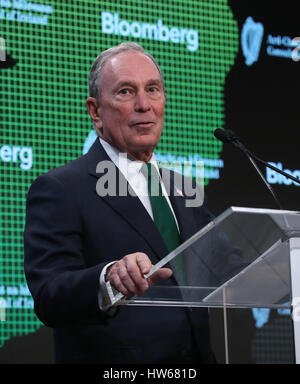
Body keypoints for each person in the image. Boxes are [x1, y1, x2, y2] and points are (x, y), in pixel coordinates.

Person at [24, 42, 216, 364]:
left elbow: (227, 262)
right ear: (95, 111)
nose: (144, 104)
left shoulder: (186, 190)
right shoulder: (61, 189)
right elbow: (50, 296)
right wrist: (108, 277)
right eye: (126, 92)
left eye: (152, 89)